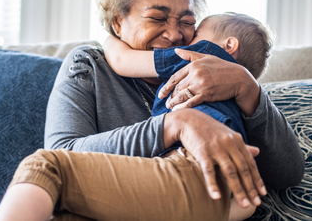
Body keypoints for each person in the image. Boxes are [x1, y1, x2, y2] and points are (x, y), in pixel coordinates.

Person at [0, 0, 304, 220]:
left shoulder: (215, 72)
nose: (175, 34)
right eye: (157, 17)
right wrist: (172, 125)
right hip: (134, 200)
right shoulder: (89, 67)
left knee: (42, 169)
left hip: (196, 193)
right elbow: (65, 151)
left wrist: (247, 87)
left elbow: (287, 173)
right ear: (118, 23)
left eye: (187, 21)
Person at [103, 12, 272, 150]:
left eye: (197, 34)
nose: (187, 41)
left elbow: (122, 60)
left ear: (228, 45)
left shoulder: (200, 53)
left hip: (196, 145)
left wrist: (110, 39)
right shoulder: (241, 102)